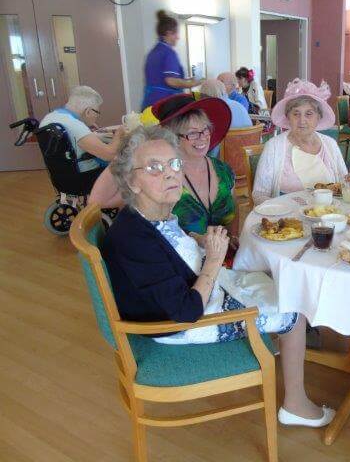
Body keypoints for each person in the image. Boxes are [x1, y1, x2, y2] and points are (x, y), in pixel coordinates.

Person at [102, 125, 335, 427]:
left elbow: (167, 247)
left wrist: (196, 239)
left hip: (196, 294)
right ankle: (295, 404)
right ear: (131, 181)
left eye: (173, 164)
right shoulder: (132, 238)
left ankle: (275, 339)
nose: (171, 174)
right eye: (154, 168)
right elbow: (186, 311)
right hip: (179, 325)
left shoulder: (148, 214)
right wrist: (212, 259)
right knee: (294, 307)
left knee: (277, 280)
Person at [89, 94, 236, 239]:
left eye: (205, 130)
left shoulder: (223, 170)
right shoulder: (157, 177)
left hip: (224, 256)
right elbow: (98, 200)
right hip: (179, 260)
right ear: (172, 137)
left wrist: (234, 238)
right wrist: (131, 149)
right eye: (192, 133)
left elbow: (233, 216)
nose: (203, 137)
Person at [252, 79, 350, 205]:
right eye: (296, 114)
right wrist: (283, 210)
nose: (302, 120)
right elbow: (259, 194)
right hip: (288, 218)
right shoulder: (274, 147)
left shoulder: (330, 144)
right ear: (288, 117)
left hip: (327, 216)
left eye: (309, 114)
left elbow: (344, 185)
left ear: (318, 117)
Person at [39, 85, 123, 172]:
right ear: (88, 111)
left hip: (62, 174)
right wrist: (120, 133)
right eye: (97, 112)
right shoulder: (75, 125)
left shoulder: (51, 117)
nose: (97, 116)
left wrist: (85, 124)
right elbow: (109, 155)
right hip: (87, 175)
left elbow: (72, 139)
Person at [141, 11, 201, 109]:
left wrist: (188, 80)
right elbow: (171, 81)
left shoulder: (153, 52)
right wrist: (192, 84)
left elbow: (161, 79)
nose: (178, 37)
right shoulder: (168, 52)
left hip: (150, 101)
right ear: (169, 33)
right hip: (164, 103)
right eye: (176, 33)